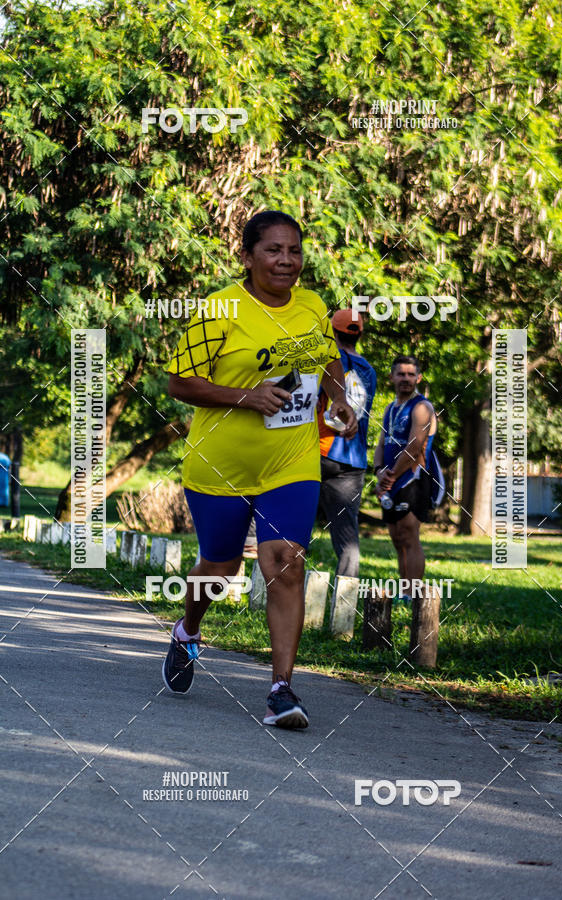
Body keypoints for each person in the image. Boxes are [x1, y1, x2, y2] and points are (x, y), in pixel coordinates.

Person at [162, 211, 357, 729]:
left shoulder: (314, 307)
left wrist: (339, 400)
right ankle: (187, 631)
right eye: (273, 250)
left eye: (294, 251)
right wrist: (246, 397)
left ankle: (281, 691)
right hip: (220, 465)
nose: (286, 261)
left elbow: (328, 358)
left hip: (289, 461)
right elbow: (179, 383)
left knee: (284, 563)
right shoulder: (221, 308)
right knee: (221, 569)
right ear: (246, 256)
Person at [373, 355, 443, 602]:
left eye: (410, 374)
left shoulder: (422, 407)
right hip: (391, 479)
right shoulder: (390, 409)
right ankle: (405, 589)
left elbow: (414, 446)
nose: (405, 379)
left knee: (409, 535)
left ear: (418, 378)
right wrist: (379, 470)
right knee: (396, 536)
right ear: (391, 377)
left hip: (413, 478)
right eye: (400, 374)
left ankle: (414, 593)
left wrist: (390, 477)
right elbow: (381, 444)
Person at [316, 309, 376, 578]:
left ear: (332, 331)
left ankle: (276, 593)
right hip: (353, 460)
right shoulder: (370, 371)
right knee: (347, 538)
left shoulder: (328, 361)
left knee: (293, 526)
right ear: (359, 334)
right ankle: (345, 604)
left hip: (318, 450)